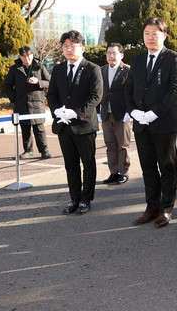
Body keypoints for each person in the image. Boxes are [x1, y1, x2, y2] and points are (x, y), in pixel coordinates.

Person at [125, 17, 177, 228]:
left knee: (167, 167)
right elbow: (129, 88)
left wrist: (154, 113)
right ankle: (151, 208)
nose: (150, 37)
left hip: (164, 123)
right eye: (147, 33)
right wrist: (133, 111)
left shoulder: (174, 58)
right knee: (147, 168)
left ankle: (166, 209)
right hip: (141, 124)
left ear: (164, 35)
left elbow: (176, 89)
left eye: (155, 33)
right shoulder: (138, 59)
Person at [47, 31, 103, 215]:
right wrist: (56, 111)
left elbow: (95, 97)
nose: (68, 50)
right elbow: (52, 94)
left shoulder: (92, 68)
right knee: (70, 165)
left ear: (82, 47)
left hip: (84, 125)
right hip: (63, 125)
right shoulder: (58, 69)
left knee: (88, 164)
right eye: (65, 46)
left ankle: (86, 199)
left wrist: (76, 113)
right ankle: (74, 199)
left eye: (72, 46)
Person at [3, 46, 52, 159]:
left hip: (36, 103)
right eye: (24, 57)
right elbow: (7, 85)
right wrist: (13, 98)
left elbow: (50, 83)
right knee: (25, 128)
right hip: (21, 103)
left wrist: (38, 82)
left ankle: (45, 151)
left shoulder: (39, 67)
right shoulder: (15, 69)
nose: (27, 59)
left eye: (29, 56)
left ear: (32, 55)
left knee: (39, 129)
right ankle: (28, 150)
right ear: (20, 57)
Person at [97, 44, 131, 185]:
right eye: (109, 53)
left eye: (114, 53)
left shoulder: (128, 70)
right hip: (106, 113)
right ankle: (113, 172)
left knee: (123, 145)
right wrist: (98, 111)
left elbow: (132, 92)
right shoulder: (102, 70)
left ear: (121, 55)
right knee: (110, 144)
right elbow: (98, 92)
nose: (111, 55)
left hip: (122, 114)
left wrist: (130, 111)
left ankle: (124, 172)